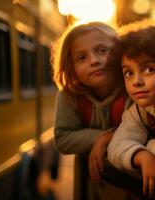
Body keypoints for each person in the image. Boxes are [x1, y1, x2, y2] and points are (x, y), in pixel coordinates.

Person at [106, 21, 155, 198]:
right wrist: (142, 156)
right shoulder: (140, 111)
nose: (136, 81)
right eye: (128, 73)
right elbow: (115, 147)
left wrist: (149, 146)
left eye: (149, 69)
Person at [51, 22, 131, 200]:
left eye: (103, 50)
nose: (94, 61)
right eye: (81, 58)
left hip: (130, 180)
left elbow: (143, 130)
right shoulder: (69, 96)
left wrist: (106, 139)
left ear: (120, 52)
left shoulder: (132, 89)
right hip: (90, 180)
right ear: (71, 68)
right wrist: (105, 136)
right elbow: (63, 138)